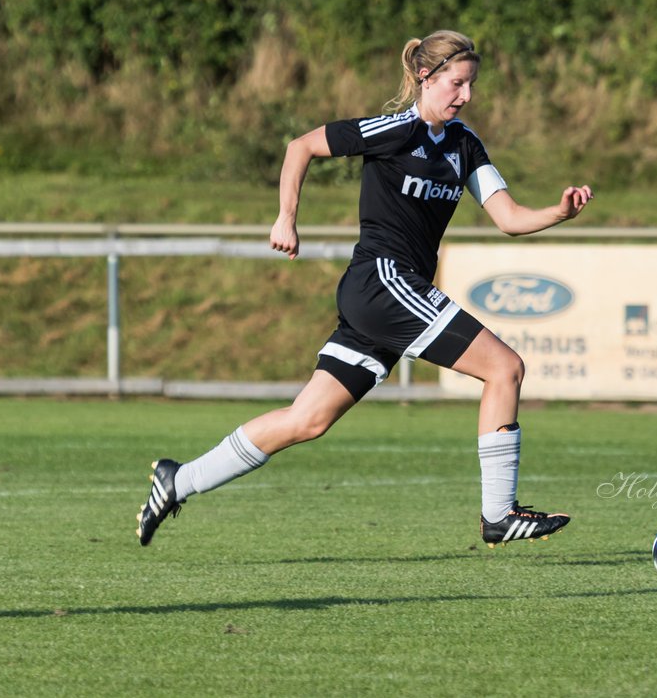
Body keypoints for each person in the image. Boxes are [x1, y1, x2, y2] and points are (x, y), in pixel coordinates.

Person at [136, 30, 594, 549]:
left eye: (471, 86)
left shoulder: (465, 145)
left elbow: (508, 217)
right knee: (504, 367)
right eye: (457, 83)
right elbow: (301, 146)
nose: (465, 96)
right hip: (383, 282)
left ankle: (180, 480)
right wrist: (286, 218)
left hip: (388, 295)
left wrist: (559, 211)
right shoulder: (396, 130)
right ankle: (498, 515)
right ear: (426, 76)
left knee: (306, 420)